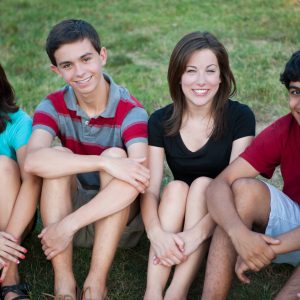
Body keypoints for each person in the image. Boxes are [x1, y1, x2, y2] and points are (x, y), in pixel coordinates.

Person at [24, 19, 149, 299]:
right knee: (57, 156)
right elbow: (32, 162)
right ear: (56, 70)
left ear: (102, 56)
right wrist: (101, 162)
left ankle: (95, 284)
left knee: (118, 156)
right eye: (67, 65)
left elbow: (141, 177)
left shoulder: (131, 111)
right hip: (69, 210)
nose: (80, 72)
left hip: (118, 225)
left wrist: (67, 226)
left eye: (86, 59)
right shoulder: (52, 104)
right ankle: (64, 284)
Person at [141, 31, 255, 300]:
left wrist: (196, 234)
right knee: (176, 187)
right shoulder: (160, 121)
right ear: (178, 75)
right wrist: (155, 232)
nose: (201, 81)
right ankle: (153, 292)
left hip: (222, 216)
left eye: (210, 71)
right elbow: (151, 189)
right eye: (191, 71)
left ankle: (176, 292)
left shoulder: (240, 117)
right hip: (178, 212)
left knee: (206, 184)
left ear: (222, 76)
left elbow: (234, 185)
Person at [201, 50, 300, 300]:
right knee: (243, 189)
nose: (298, 103)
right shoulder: (284, 130)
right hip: (294, 224)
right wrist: (240, 235)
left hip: (287, 242)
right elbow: (218, 186)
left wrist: (262, 249)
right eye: (296, 92)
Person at [0, 64, 41, 300]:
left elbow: (32, 182)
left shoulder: (18, 122)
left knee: (4, 166)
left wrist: (7, 240)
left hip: (12, 218)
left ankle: (10, 277)